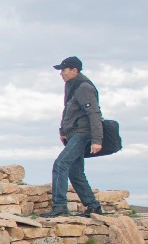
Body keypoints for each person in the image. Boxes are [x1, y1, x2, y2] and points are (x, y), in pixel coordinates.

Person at [42, 56, 103, 218]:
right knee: (75, 172)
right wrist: (63, 131)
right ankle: (93, 206)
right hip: (72, 133)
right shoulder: (71, 85)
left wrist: (97, 140)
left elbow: (94, 113)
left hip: (82, 133)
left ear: (74, 70)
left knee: (60, 164)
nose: (61, 73)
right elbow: (67, 110)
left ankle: (60, 205)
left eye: (63, 70)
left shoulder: (84, 87)